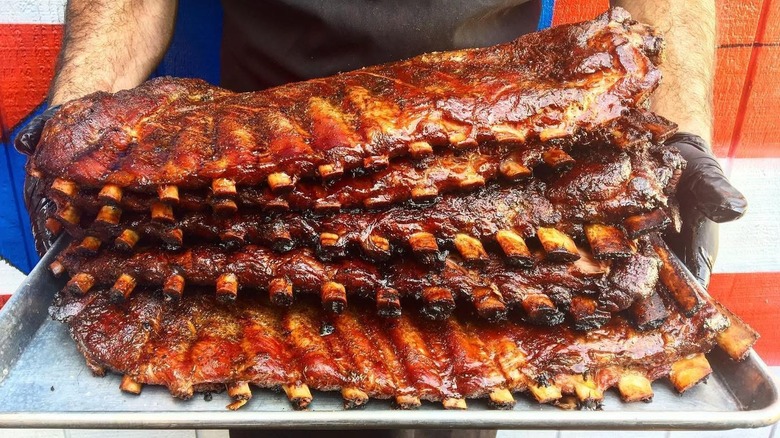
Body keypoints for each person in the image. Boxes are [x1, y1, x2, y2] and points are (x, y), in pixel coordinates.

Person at [14, 1, 746, 436]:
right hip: (249, 152)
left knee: (468, 371)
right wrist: (85, 119)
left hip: (509, 146)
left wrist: (679, 131)